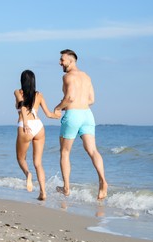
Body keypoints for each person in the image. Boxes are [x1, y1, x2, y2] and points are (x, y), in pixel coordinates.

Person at [54, 49, 108, 200]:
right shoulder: (86, 76)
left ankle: (66, 188)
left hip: (73, 115)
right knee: (93, 151)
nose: (60, 63)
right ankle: (103, 181)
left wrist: (58, 107)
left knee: (65, 152)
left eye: (62, 60)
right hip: (87, 115)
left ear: (71, 61)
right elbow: (92, 100)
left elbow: (70, 97)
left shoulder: (67, 76)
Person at [15, 70, 61, 201]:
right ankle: (43, 192)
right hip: (39, 126)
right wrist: (57, 114)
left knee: (21, 158)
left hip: (26, 126)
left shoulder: (18, 92)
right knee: (38, 163)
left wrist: (24, 123)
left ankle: (28, 174)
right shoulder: (39, 95)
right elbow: (48, 114)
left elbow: (22, 105)